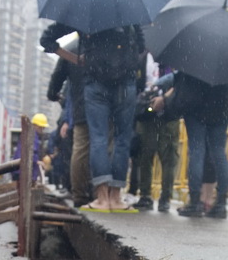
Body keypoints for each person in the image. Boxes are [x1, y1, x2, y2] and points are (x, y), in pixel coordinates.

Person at [41, 22, 144, 212]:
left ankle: (102, 199)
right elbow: (142, 47)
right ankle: (116, 198)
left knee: (98, 139)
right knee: (121, 140)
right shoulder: (129, 12)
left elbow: (47, 40)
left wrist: (76, 59)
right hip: (125, 84)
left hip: (96, 82)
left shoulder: (87, 10)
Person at [153, 72, 228, 219]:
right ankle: (221, 203)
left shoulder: (196, 54)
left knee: (197, 151)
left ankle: (195, 201)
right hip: (221, 105)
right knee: (219, 152)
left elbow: (181, 77)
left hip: (196, 106)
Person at [132, 56, 179, 213]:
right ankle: (145, 195)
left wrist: (164, 99)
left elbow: (180, 83)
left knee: (169, 157)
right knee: (145, 155)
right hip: (146, 114)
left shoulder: (177, 60)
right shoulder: (142, 58)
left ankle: (165, 198)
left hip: (169, 114)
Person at [47, 41, 90, 206]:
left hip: (79, 112)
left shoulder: (71, 50)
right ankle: (93, 192)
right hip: (97, 110)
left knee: (78, 150)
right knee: (93, 149)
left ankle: (79, 193)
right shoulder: (105, 46)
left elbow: (56, 85)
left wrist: (53, 95)